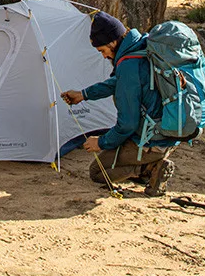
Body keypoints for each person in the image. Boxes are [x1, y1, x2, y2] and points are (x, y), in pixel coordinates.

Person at [61, 11, 176, 196]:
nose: (103, 56)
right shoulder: (140, 47)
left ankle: (149, 169)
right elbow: (117, 83)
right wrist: (83, 95)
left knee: (97, 172)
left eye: (102, 50)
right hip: (169, 133)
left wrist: (101, 142)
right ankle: (150, 163)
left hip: (150, 141)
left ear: (112, 42)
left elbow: (127, 124)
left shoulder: (128, 65)